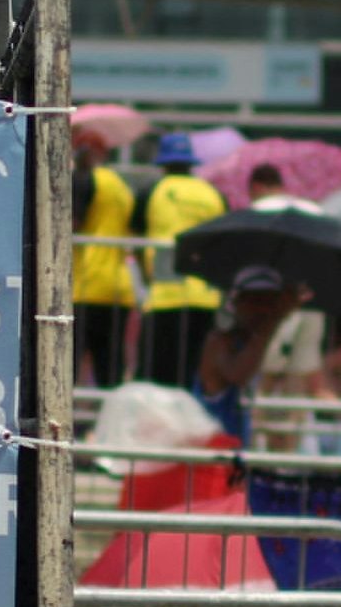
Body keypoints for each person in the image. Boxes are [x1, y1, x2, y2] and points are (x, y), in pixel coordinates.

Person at [134, 134, 228, 395]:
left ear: (163, 163)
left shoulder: (154, 191)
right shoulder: (213, 194)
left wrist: (146, 276)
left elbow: (138, 240)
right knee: (192, 373)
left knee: (156, 374)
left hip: (165, 296)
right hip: (204, 297)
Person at [191, 267, 302, 442]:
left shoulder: (249, 343)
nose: (262, 310)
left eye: (270, 303)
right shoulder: (219, 342)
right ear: (237, 302)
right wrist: (272, 323)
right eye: (255, 301)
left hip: (233, 453)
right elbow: (239, 374)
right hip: (210, 456)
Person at [71, 132, 138, 391]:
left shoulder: (86, 180)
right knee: (110, 370)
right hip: (118, 288)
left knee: (68, 369)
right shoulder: (121, 186)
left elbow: (74, 222)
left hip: (86, 283)